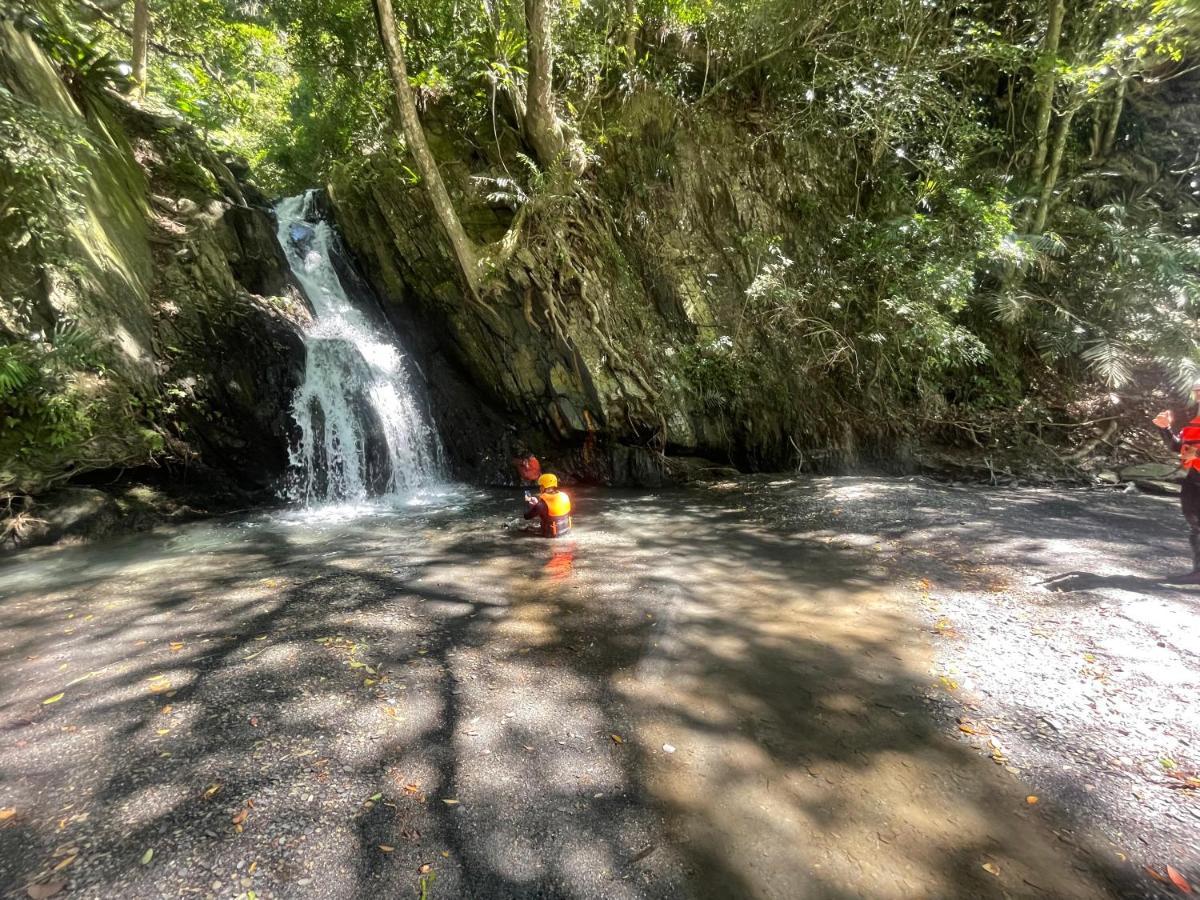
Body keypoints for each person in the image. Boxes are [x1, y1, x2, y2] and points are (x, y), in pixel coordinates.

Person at [1154, 381, 1200, 582]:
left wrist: (1194, 452)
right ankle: (1198, 572)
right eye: (1197, 392)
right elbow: (1177, 447)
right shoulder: (1194, 422)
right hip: (1194, 478)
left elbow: (1191, 451)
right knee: (1196, 526)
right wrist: (1165, 428)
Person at [524, 473, 573, 538]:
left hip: (551, 535)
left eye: (540, 486)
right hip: (566, 531)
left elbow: (526, 516)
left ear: (543, 487)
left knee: (524, 529)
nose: (540, 488)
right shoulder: (565, 496)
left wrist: (528, 504)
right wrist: (537, 504)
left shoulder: (541, 505)